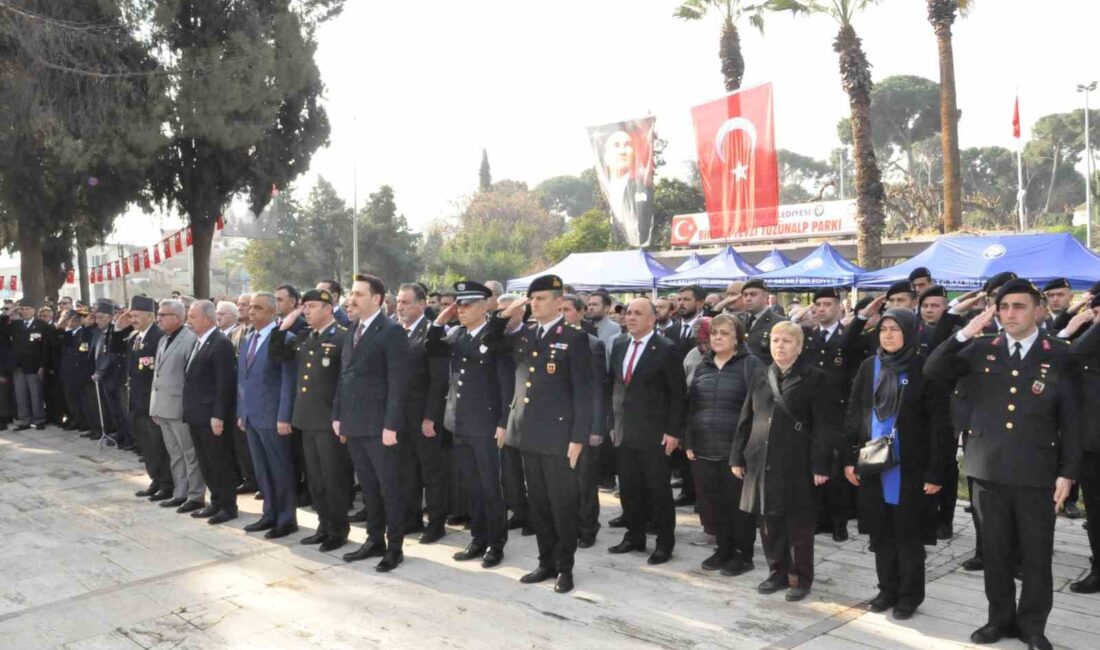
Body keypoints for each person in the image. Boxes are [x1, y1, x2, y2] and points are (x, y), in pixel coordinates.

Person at [925, 279, 1080, 650]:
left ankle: (1032, 626)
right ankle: (998, 620)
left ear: (1038, 310)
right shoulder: (979, 349)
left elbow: (1073, 419)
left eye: (1019, 306)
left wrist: (1068, 472)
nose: (1011, 314)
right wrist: (964, 332)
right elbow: (933, 370)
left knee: (1036, 555)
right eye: (1004, 307)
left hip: (1037, 471)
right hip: (988, 470)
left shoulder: (1059, 353)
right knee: (995, 553)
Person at [843, 308, 951, 620]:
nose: (888, 335)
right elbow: (855, 412)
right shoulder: (870, 366)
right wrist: (850, 458)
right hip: (874, 462)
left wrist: (935, 471)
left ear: (910, 332)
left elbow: (940, 425)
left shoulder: (925, 368)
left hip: (911, 467)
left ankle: (909, 596)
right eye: (884, 329)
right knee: (881, 532)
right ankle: (886, 589)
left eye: (895, 329)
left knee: (908, 535)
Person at [491, 275, 593, 594]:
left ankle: (565, 567)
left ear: (558, 302)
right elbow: (492, 343)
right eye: (532, 299)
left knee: (561, 504)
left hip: (559, 436)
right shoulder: (527, 334)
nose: (534, 304)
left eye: (541, 299)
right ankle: (545, 561)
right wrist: (506, 314)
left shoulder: (574, 338)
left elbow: (584, 393)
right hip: (528, 434)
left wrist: (578, 438)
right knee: (538, 504)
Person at [731, 321, 833, 602]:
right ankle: (777, 571)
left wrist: (821, 466)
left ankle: (800, 577)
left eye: (787, 341)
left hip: (797, 462)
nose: (780, 346)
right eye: (776, 340)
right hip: (761, 459)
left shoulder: (815, 378)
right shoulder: (761, 375)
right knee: (768, 520)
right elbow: (746, 418)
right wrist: (737, 455)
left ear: (799, 347)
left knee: (798, 523)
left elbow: (825, 425)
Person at [426, 280, 513, 569]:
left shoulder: (494, 337)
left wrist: (503, 421)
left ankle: (496, 543)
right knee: (471, 487)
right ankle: (478, 538)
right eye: (458, 305)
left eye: (465, 305)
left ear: (483, 306)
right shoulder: (458, 335)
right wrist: (440, 320)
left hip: (486, 424)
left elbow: (505, 383)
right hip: (460, 422)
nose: (460, 310)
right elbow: (433, 346)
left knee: (490, 486)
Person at [269, 288, 354, 552]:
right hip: (306, 419)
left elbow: (345, 382)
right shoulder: (305, 337)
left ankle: (338, 530)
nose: (306, 311)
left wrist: (341, 418)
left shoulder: (341, 336)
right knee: (316, 480)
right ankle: (323, 526)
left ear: (328, 309)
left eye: (312, 306)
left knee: (334, 479)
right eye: (304, 307)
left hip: (329, 421)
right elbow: (276, 354)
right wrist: (285, 325)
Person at [334, 274, 409, 572]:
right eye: (352, 294)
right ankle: (374, 539)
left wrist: (391, 425)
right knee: (368, 487)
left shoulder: (391, 331)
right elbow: (344, 377)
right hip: (354, 424)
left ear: (376, 299)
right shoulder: (353, 328)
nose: (351, 299)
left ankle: (395, 547)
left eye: (358, 294)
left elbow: (398, 383)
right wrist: (338, 415)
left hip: (380, 427)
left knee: (389, 488)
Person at [607, 298, 686, 565]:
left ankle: (664, 543)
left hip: (655, 433)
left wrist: (674, 431)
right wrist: (611, 423)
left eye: (638, 313)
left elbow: (678, 395)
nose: (630, 317)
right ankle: (634, 535)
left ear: (652, 319)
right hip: (624, 431)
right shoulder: (619, 344)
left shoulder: (666, 348)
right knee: (629, 488)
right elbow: (614, 387)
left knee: (658, 491)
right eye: (628, 313)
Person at [685, 313, 762, 576]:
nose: (718, 337)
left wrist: (744, 450)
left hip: (736, 450)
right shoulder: (702, 366)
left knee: (738, 505)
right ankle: (723, 548)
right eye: (714, 332)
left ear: (738, 338)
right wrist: (689, 439)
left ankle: (743, 554)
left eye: (725, 333)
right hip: (704, 447)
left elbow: (757, 409)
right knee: (714, 502)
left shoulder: (750, 366)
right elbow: (691, 406)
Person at [237, 292, 299, 539]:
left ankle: (286, 519)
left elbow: (288, 381)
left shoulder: (284, 339)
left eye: (258, 308)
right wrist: (242, 412)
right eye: (251, 307)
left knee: (280, 468)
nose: (252, 312)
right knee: (262, 469)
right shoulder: (248, 338)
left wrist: (284, 416)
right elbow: (243, 379)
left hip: (274, 417)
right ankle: (269, 513)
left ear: (273, 312)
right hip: (252, 416)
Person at [394, 283, 449, 545]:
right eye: (398, 302)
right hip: (401, 416)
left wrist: (431, 417)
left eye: (405, 302)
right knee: (407, 471)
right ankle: (411, 518)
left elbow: (439, 381)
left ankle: (436, 523)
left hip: (424, 417)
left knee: (431, 472)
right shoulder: (396, 332)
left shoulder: (432, 333)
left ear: (422, 303)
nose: (400, 306)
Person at [801, 287, 857, 543]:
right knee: (813, 465)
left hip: (839, 410)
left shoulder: (850, 337)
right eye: (818, 304)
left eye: (827, 304)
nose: (821, 309)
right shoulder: (807, 336)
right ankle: (818, 518)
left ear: (839, 307)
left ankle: (839, 522)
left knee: (836, 467)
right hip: (811, 410)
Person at [182, 300, 239, 525]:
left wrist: (218, 415)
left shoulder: (220, 343)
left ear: (207, 319)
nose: (189, 321)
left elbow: (224, 384)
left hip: (211, 417)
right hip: (196, 414)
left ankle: (227, 505)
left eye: (193, 317)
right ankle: (215, 501)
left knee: (219, 462)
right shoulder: (199, 342)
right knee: (206, 462)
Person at [560, 293, 610, 548]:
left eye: (567, 309)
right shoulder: (551, 341)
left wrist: (596, 427)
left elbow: (598, 390)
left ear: (580, 313)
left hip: (584, 424)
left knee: (584, 481)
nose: (563, 314)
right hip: (558, 424)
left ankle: (588, 528)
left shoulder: (592, 344)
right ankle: (568, 524)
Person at [113, 297, 172, 501]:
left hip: (152, 401)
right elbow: (116, 353)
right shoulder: (134, 337)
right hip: (137, 400)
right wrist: (118, 329)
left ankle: (167, 483)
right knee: (146, 445)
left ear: (150, 316)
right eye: (131, 315)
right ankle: (155, 479)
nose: (133, 319)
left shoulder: (158, 337)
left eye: (137, 315)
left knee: (158, 444)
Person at [150, 299, 206, 514]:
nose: (159, 319)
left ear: (178, 317)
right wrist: (154, 407)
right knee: (175, 453)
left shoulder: (189, 339)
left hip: (180, 407)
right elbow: (157, 376)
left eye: (163, 315)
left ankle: (195, 495)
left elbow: (191, 379)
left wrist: (188, 408)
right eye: (159, 314)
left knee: (189, 453)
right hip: (163, 406)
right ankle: (180, 492)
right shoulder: (164, 340)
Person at [2, 298, 51, 430]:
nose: (25, 311)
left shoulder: (42, 325)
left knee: (36, 394)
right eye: (22, 309)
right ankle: (24, 420)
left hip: (34, 365)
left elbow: (46, 348)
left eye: (28, 309)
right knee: (20, 394)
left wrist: (43, 365)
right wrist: (7, 313)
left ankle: (39, 419)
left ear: (34, 310)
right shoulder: (15, 325)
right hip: (18, 365)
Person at [599, 129, 652, 247]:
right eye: (616, 146)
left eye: (628, 145)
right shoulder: (603, 189)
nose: (622, 151)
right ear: (606, 154)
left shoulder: (642, 186)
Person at [738, 280, 786, 366]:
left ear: (766, 297)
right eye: (745, 295)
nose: (748, 298)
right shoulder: (737, 320)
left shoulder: (780, 323)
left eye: (753, 294)